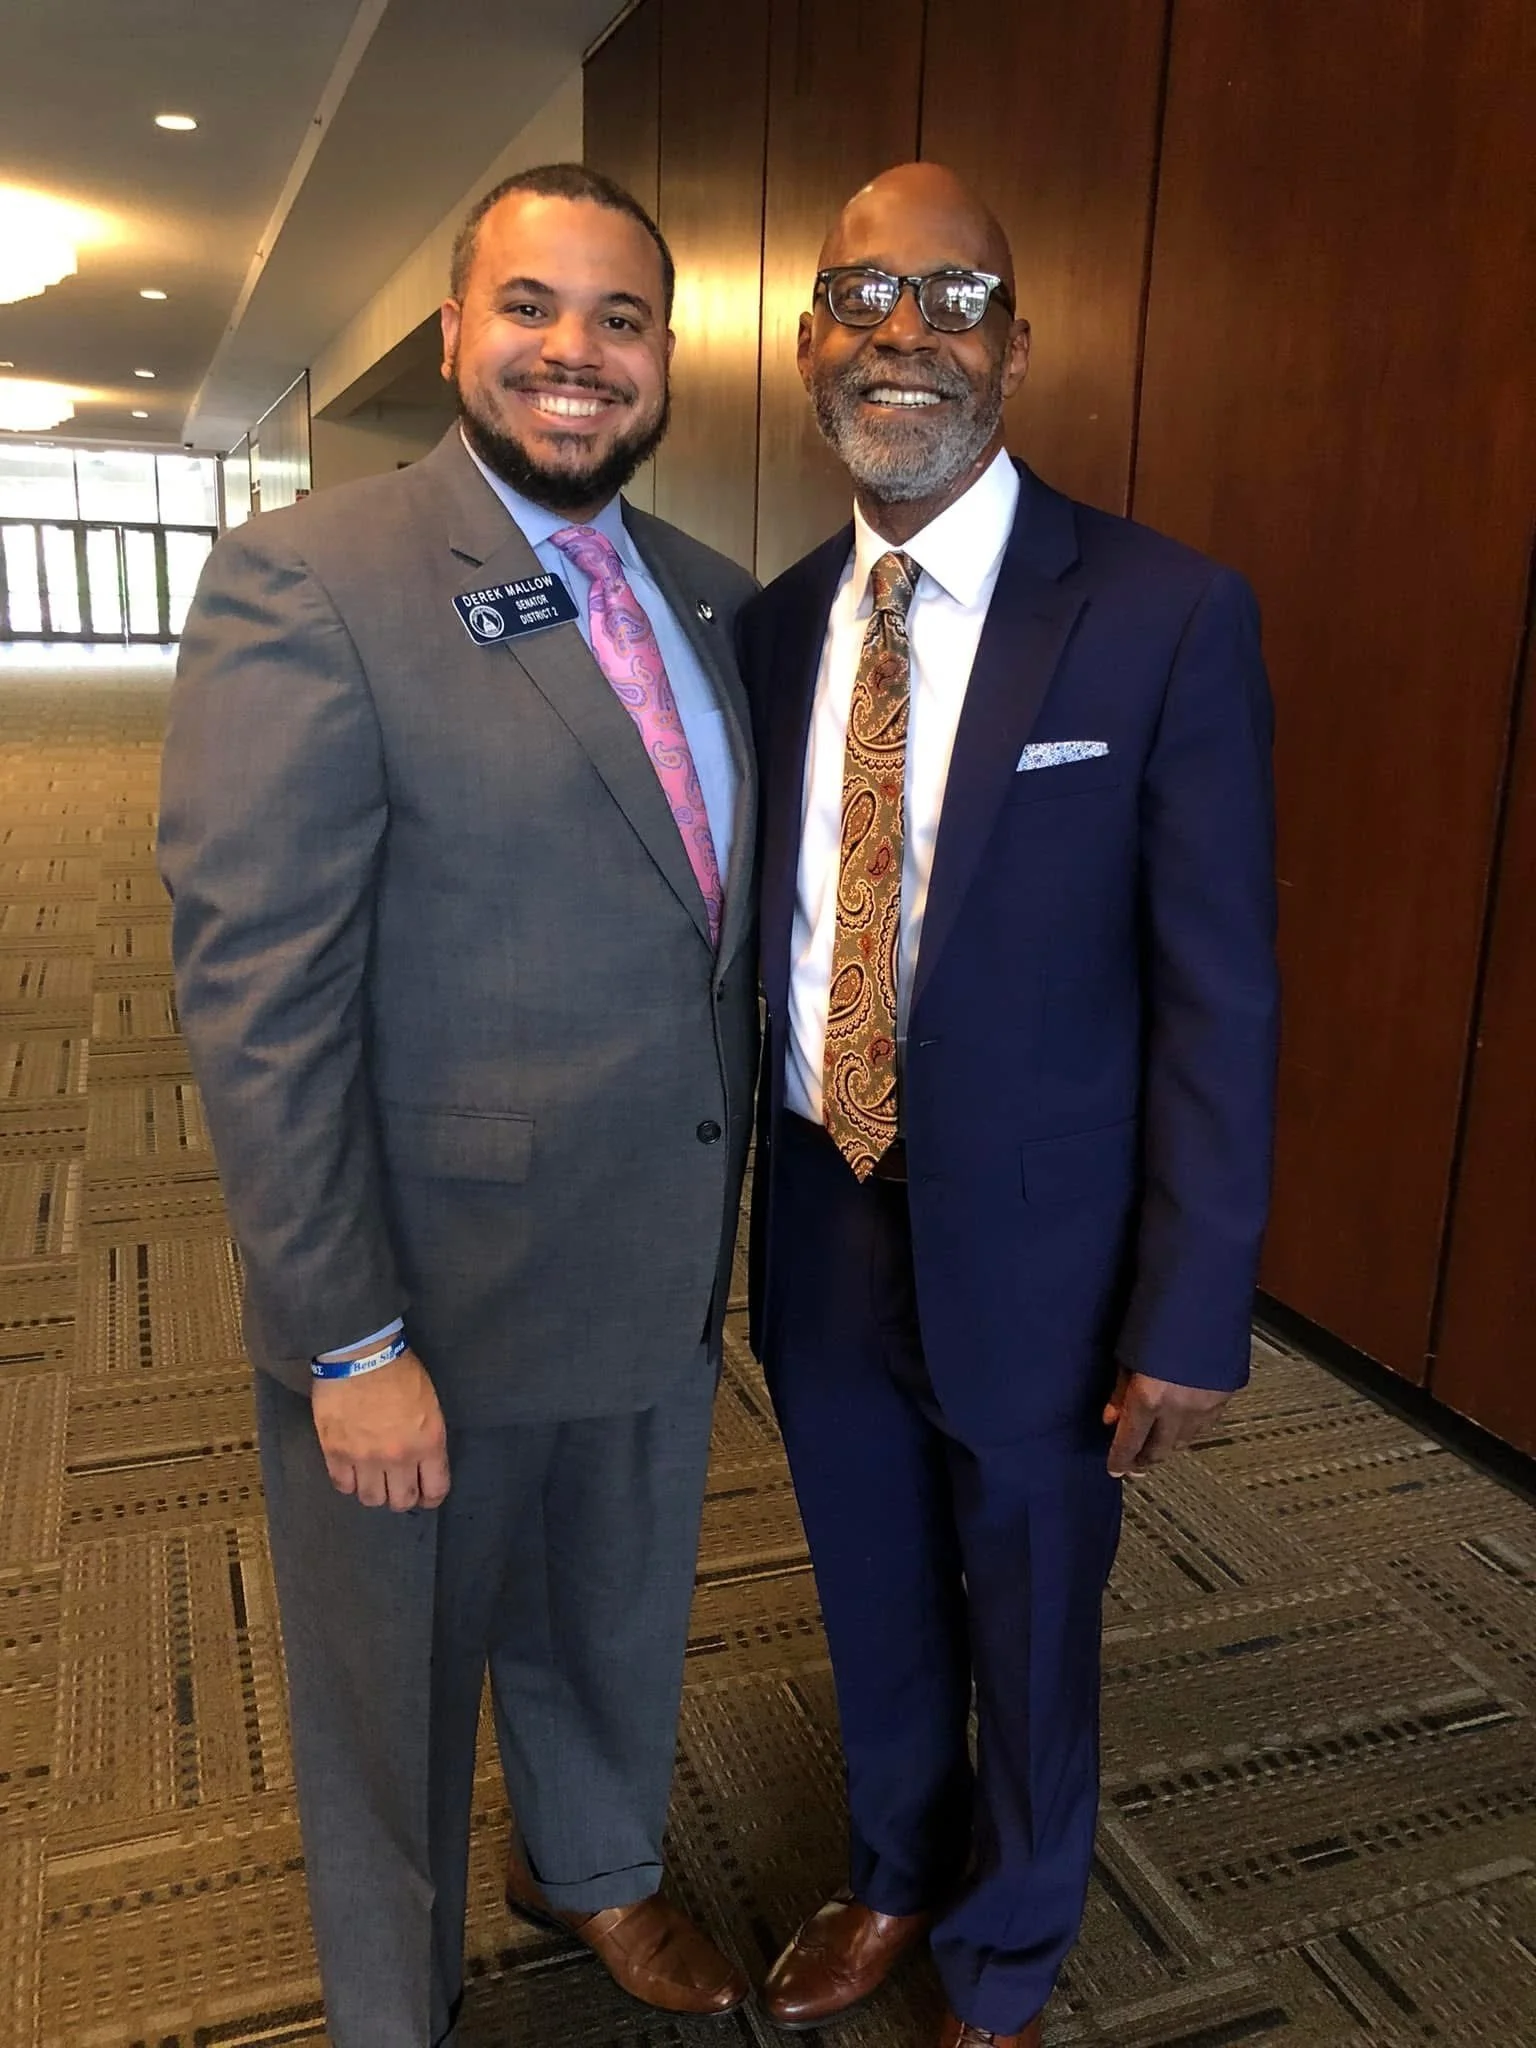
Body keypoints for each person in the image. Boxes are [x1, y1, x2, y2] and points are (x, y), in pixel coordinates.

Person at [159, 164, 760, 2048]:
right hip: (421, 1287)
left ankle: (587, 1864)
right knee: (392, 1685)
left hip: (651, 1267)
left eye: (621, 320)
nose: (574, 354)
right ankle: (392, 2000)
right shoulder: (308, 577)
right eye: (531, 309)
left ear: (664, 362)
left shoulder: (715, 601)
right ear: (452, 335)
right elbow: (262, 995)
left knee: (615, 1615)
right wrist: (348, 1338)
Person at [737, 163, 1279, 2047]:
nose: (903, 331)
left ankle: (1013, 1942)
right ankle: (896, 1866)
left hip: (1051, 1246)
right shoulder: (774, 627)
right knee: (872, 1581)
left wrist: (1192, 1304)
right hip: (820, 1205)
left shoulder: (1160, 614)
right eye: (859, 291)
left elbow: (1221, 991)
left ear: (1015, 350)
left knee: (1034, 1610)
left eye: (950, 296)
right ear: (808, 345)